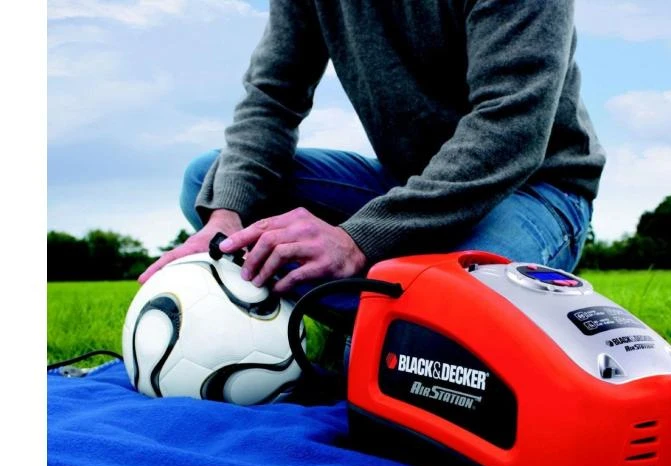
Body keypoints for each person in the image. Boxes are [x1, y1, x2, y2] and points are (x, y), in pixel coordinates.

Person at [139, 0, 605, 296]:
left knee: (416, 334)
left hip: (535, 189)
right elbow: (272, 99)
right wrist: (225, 219)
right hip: (409, 181)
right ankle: (352, 303)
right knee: (211, 183)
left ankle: (365, 312)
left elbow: (510, 125)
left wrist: (357, 239)